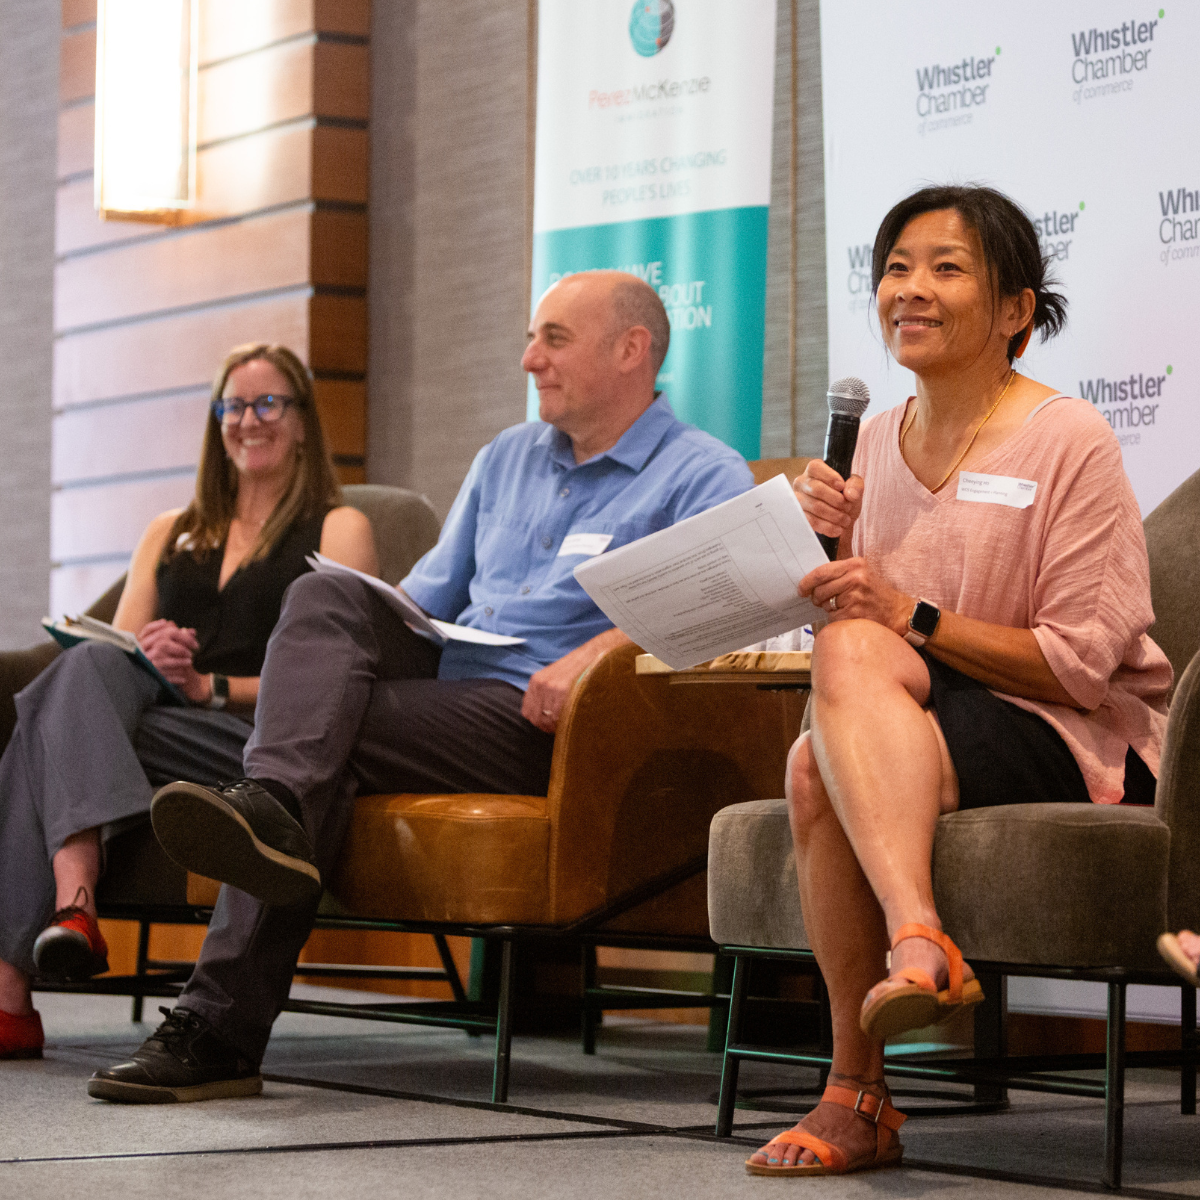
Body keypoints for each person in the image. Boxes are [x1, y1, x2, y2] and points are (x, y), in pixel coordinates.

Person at [88, 270, 755, 1103]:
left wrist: (600, 652)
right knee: (325, 593)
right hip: (444, 683)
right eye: (531, 337)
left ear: (632, 349)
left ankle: (219, 1018)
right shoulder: (507, 458)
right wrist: (341, 628)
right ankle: (273, 817)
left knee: (317, 747)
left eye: (553, 338)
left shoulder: (702, 474)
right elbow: (421, 601)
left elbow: (732, 610)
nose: (528, 359)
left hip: (550, 720)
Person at [746, 185, 1173, 1177]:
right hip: (923, 714)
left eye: (946, 268)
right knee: (828, 719)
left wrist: (910, 613)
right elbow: (865, 645)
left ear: (1018, 309)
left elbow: (1078, 664)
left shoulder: (1071, 440)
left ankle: (857, 1091)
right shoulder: (874, 449)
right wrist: (822, 555)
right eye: (896, 267)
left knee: (820, 766)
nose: (910, 290)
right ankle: (919, 942)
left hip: (1070, 728)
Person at [0, 344, 377, 1062]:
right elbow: (114, 650)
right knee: (83, 676)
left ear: (302, 422)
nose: (249, 420)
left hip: (259, 745)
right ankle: (66, 922)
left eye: (269, 403)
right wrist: (157, 653)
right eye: (233, 406)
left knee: (47, 719)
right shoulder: (169, 530)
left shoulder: (339, 527)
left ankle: (19, 983)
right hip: (160, 726)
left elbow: (343, 681)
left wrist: (215, 687)